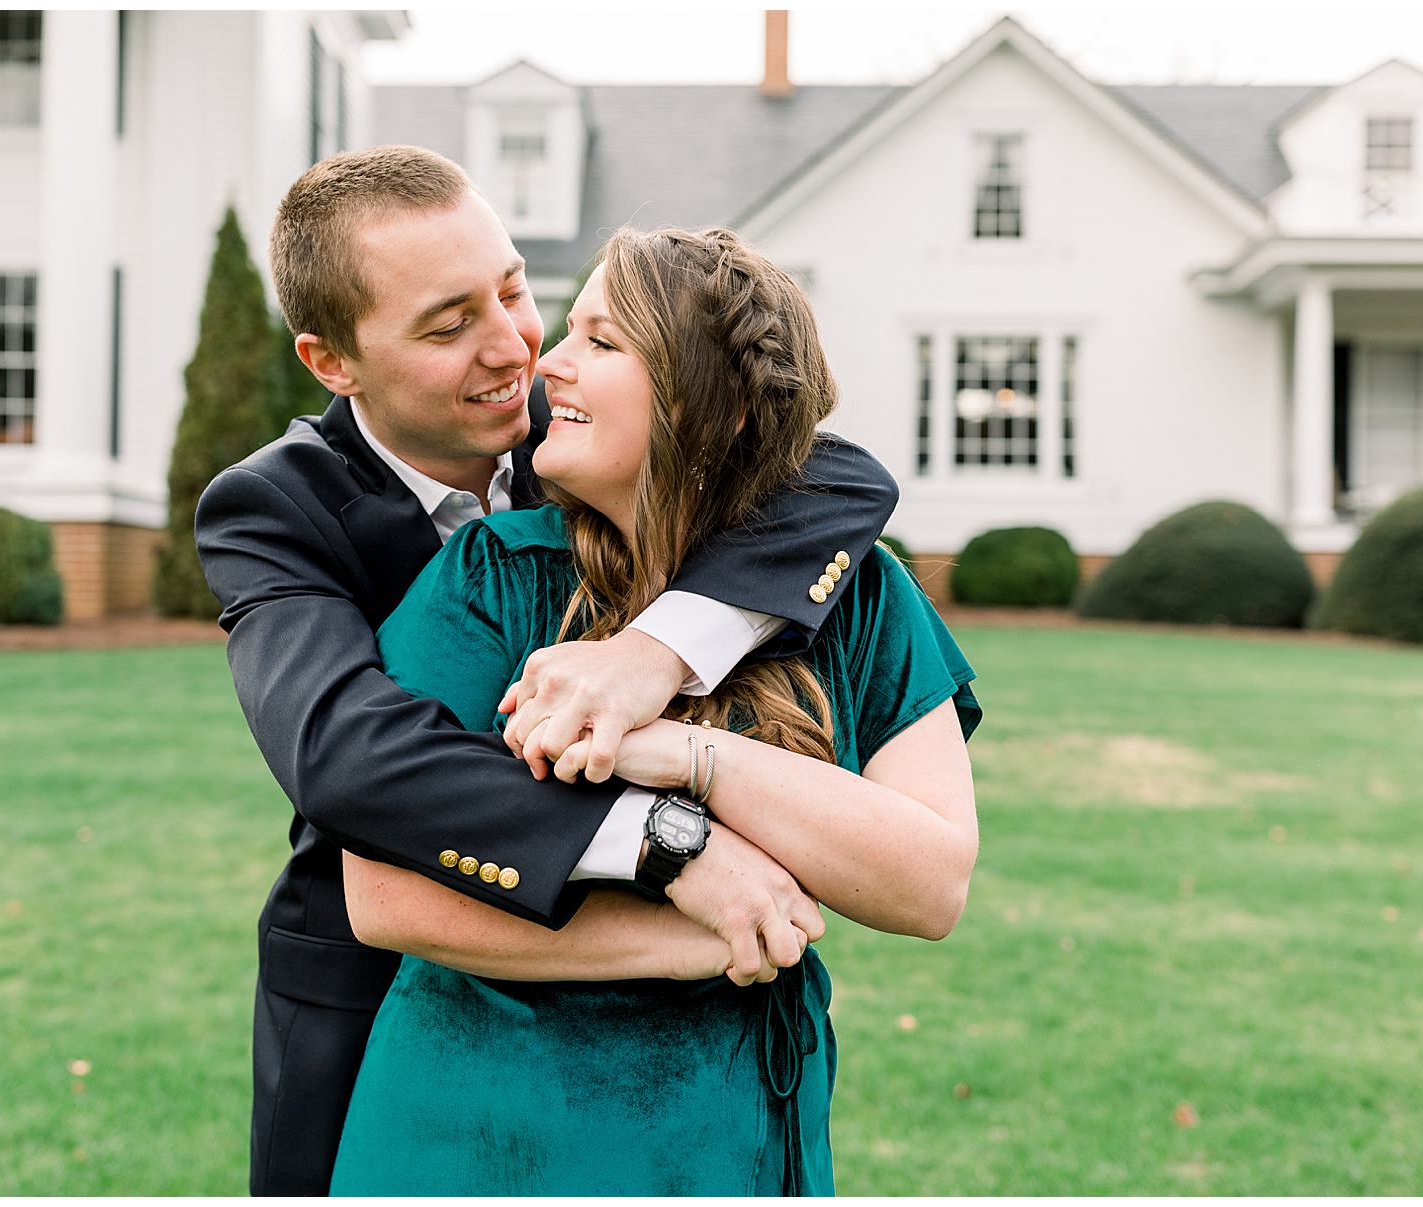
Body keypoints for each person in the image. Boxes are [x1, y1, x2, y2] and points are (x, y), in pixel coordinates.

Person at [195, 147, 901, 1196]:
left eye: (516, 289)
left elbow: (836, 475)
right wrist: (667, 845)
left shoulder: (573, 425)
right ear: (331, 360)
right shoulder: (273, 509)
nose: (515, 346)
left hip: (652, 1046)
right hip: (377, 976)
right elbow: (347, 753)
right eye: (448, 326)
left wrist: (648, 655)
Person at [328, 226, 982, 1196]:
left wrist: (689, 756)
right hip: (474, 1138)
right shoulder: (489, 580)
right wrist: (701, 937)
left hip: (735, 1142)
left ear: (702, 406)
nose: (549, 361)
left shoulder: (861, 598)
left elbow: (929, 885)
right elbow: (386, 895)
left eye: (602, 340)